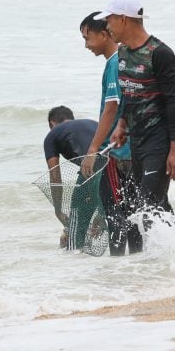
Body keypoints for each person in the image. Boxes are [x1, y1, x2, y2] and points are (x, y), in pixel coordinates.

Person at [98, 0, 175, 250]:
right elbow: (128, 94)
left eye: (110, 20)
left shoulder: (160, 53)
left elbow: (173, 102)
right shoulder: (123, 53)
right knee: (147, 205)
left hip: (160, 142)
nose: (108, 26)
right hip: (137, 142)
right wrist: (122, 125)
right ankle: (173, 255)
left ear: (124, 19)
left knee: (146, 205)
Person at [77, 13, 135, 255]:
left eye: (87, 38)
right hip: (132, 147)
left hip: (115, 151)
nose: (86, 45)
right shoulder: (127, 58)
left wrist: (92, 150)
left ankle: (118, 264)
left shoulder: (113, 63)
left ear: (103, 34)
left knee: (114, 211)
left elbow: (110, 109)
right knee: (132, 211)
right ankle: (138, 259)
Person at [44, 106, 103, 250]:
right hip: (116, 162)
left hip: (94, 167)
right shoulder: (90, 123)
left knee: (75, 228)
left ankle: (75, 261)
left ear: (52, 123)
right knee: (111, 217)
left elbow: (55, 176)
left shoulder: (51, 136)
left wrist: (58, 210)